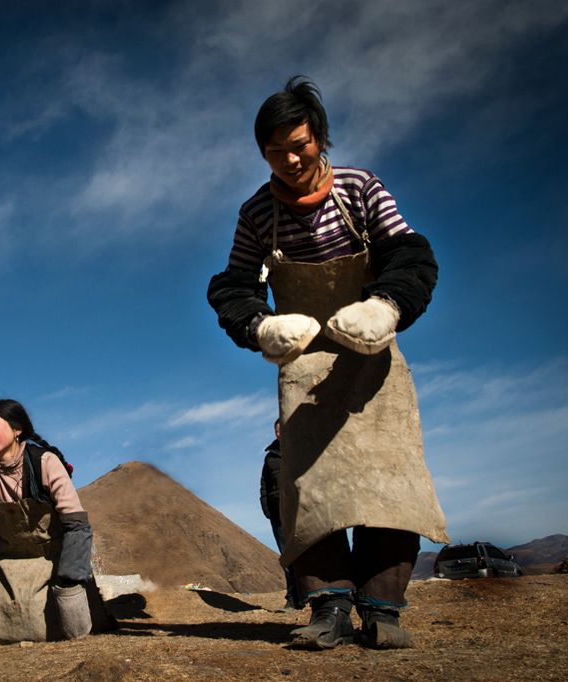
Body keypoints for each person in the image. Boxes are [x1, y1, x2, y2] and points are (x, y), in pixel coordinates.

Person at [208, 76, 449, 649]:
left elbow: (410, 253)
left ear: (321, 137)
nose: (290, 159)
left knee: (390, 481)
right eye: (275, 151)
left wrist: (387, 305)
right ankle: (328, 607)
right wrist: (261, 325)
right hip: (305, 366)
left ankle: (383, 609)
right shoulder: (257, 215)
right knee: (308, 489)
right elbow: (232, 286)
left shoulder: (360, 188)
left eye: (301, 144)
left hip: (371, 356)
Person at [0, 399, 103, 646]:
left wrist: (69, 584)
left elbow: (76, 525)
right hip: (4, 569)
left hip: (53, 568)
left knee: (73, 630)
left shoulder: (45, 462)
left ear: (17, 429)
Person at [259, 418, 293, 608]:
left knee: (301, 553)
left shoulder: (297, 450)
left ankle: (310, 596)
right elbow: (264, 483)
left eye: (282, 430)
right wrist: (265, 505)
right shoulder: (270, 457)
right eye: (277, 431)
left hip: (295, 510)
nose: (279, 433)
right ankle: (291, 598)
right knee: (286, 556)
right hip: (277, 510)